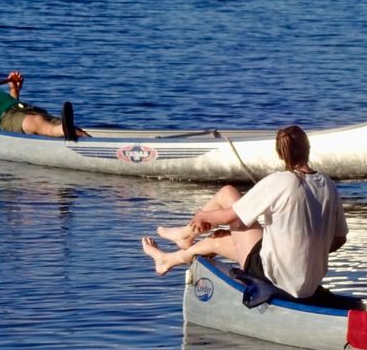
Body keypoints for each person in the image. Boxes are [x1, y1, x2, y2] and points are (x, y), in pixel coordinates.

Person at [141, 125, 348, 300]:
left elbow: (230, 217)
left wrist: (202, 216)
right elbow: (339, 239)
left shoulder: (281, 181)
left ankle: (183, 237)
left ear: (280, 154)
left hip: (276, 275)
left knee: (226, 200)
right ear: (308, 149)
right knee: (219, 239)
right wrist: (309, 249)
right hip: (308, 282)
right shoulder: (327, 184)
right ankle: (174, 251)